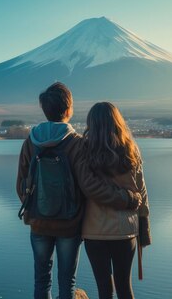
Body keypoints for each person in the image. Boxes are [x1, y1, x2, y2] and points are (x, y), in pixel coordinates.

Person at [16, 82, 142, 299]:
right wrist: (127, 199)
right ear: (69, 109)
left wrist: (38, 207)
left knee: (41, 279)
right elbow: (90, 186)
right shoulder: (75, 143)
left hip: (38, 223)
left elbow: (21, 185)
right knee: (67, 282)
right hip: (69, 224)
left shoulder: (31, 140)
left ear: (45, 109)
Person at [81, 102, 151, 299]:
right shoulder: (130, 149)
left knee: (104, 288)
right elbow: (142, 191)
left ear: (91, 124)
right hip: (125, 231)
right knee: (124, 286)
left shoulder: (85, 151)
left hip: (94, 232)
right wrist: (144, 226)